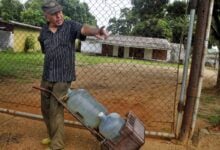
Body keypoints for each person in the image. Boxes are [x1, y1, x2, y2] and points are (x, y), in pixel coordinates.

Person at [38, 1, 109, 150]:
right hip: (47, 75)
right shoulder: (43, 31)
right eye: (54, 14)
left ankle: (57, 145)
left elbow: (84, 29)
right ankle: (52, 136)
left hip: (63, 77)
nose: (58, 16)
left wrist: (96, 31)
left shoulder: (70, 26)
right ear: (47, 16)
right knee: (45, 108)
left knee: (55, 109)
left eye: (59, 12)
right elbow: (45, 50)